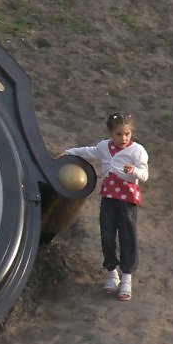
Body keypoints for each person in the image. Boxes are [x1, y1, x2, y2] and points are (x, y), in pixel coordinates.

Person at [61, 112, 149, 301]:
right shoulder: (104, 147)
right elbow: (88, 151)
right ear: (111, 133)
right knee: (107, 233)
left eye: (126, 134)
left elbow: (144, 174)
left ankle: (127, 277)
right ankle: (111, 272)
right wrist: (69, 152)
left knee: (128, 236)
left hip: (127, 199)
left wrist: (134, 171)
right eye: (118, 134)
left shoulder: (137, 151)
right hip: (109, 197)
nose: (123, 138)